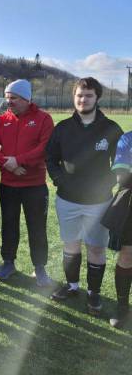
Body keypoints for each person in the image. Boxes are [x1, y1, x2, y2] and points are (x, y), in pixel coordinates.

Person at [46, 77, 123, 315]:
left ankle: (94, 294)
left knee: (96, 249)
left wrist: (107, 183)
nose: (83, 99)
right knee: (71, 246)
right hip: (67, 200)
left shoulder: (111, 129)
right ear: (74, 97)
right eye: (79, 95)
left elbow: (121, 164)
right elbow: (50, 158)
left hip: (99, 203)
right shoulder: (62, 128)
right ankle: (72, 286)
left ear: (97, 98)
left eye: (88, 95)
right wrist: (59, 180)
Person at [0, 79, 54, 286]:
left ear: (26, 98)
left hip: (35, 186)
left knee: (37, 227)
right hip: (9, 185)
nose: (9, 102)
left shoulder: (43, 119)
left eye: (13, 98)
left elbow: (45, 147)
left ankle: (40, 268)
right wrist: (9, 165)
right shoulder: (1, 120)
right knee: (9, 225)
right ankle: (8, 263)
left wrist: (20, 160)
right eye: (7, 98)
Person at [102, 133, 132, 327]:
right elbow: (121, 175)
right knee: (127, 256)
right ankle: (122, 307)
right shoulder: (127, 139)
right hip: (130, 200)